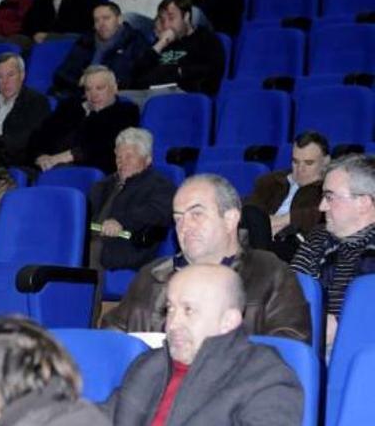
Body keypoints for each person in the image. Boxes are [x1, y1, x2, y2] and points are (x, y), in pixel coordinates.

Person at [101, 174, 311, 343]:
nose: (184, 225)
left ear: (230, 219)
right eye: (178, 218)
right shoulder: (152, 275)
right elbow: (112, 339)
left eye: (196, 214)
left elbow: (289, 350)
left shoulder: (269, 272)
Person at [100, 264, 304, 426]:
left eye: (189, 310)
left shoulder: (265, 377)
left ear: (228, 321)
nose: (173, 323)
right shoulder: (149, 366)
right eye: (171, 309)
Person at [291, 154, 375, 351]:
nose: (321, 207)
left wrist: (344, 327)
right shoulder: (319, 236)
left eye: (330, 197)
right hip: (308, 344)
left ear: (363, 202)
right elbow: (291, 291)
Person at [88, 127, 175, 270]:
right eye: (119, 157)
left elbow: (157, 212)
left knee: (90, 250)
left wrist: (121, 221)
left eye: (129, 156)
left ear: (147, 159)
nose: (122, 162)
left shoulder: (159, 185)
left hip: (128, 245)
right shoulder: (103, 185)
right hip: (95, 240)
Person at [32, 65, 140, 174]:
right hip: (46, 167)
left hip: (87, 171)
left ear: (114, 88)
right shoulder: (69, 107)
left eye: (100, 88)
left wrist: (59, 158)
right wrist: (40, 156)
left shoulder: (126, 111)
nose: (93, 95)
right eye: (88, 89)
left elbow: (103, 146)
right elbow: (41, 134)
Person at [246, 131, 329, 260]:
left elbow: (325, 214)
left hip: (293, 246)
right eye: (295, 162)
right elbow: (250, 211)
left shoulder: (328, 187)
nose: (300, 169)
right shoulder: (270, 181)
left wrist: (285, 219)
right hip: (258, 242)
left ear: (325, 162)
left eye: (308, 163)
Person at [133, 0, 225, 96]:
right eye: (163, 20)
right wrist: (160, 44)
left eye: (171, 18)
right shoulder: (163, 42)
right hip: (150, 93)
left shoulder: (206, 39)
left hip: (182, 97)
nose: (166, 25)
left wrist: (178, 71)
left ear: (186, 17)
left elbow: (212, 72)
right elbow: (136, 74)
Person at [52, 2, 150, 97]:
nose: (101, 24)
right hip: (79, 94)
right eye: (96, 20)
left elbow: (135, 77)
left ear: (119, 19)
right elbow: (63, 73)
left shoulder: (134, 41)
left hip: (114, 97)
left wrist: (95, 82)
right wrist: (79, 82)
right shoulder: (86, 41)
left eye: (106, 18)